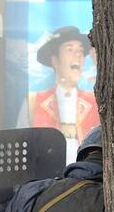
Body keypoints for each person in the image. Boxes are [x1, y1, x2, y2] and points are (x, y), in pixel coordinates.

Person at [18, 25, 100, 165]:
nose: (78, 55)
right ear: (55, 61)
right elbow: (20, 150)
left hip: (86, 181)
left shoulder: (95, 101)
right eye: (70, 49)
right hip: (46, 182)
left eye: (80, 50)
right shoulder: (34, 101)